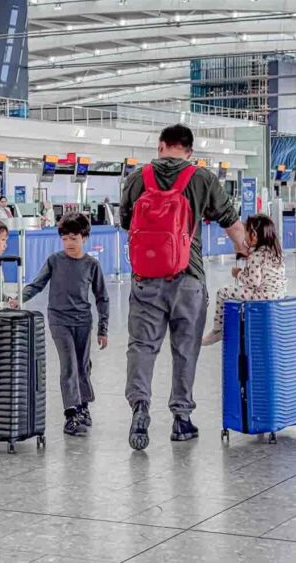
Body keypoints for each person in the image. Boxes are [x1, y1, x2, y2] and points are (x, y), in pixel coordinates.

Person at [120, 123, 249, 450]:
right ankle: (181, 419)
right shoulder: (203, 178)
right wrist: (247, 256)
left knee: (142, 346)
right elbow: (232, 223)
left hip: (146, 278)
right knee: (185, 349)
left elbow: (125, 222)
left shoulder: (138, 177)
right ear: (189, 151)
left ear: (161, 145)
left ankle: (140, 405)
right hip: (188, 279)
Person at [18, 213, 110, 437]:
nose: (69, 243)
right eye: (65, 238)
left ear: (84, 238)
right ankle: (71, 414)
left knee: (83, 365)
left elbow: (101, 297)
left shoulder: (92, 265)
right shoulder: (54, 261)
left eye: (74, 238)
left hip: (82, 321)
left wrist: (103, 328)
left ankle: (83, 406)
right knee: (68, 365)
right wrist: (18, 299)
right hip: (59, 320)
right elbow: (37, 285)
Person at [202, 215, 287, 346]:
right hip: (279, 294)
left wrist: (239, 274)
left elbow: (254, 283)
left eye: (245, 231)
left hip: (263, 295)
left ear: (253, 235)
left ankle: (217, 330)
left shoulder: (256, 255)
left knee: (223, 292)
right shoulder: (275, 252)